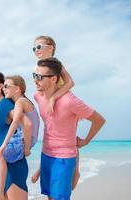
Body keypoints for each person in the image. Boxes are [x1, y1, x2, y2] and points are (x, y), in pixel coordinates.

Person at [33, 58, 105, 200]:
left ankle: (75, 174)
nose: (35, 80)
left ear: (53, 79)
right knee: (49, 196)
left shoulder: (70, 101)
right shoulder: (38, 97)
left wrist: (86, 140)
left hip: (64, 157)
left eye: (39, 77)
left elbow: (99, 120)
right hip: (46, 153)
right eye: (34, 76)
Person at [31, 36, 80, 190]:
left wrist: (53, 98)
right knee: (50, 136)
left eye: (39, 47)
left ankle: (75, 171)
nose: (36, 50)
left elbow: (70, 83)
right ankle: (44, 169)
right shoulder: (40, 66)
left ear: (51, 47)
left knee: (66, 139)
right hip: (53, 108)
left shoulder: (56, 64)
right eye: (34, 48)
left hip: (63, 107)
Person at [0, 72, 29, 200]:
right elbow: (3, 135)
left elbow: (26, 123)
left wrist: (26, 148)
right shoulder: (0, 106)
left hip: (12, 169)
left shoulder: (6, 105)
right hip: (2, 170)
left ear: (0, 86)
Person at [0, 75, 40, 200]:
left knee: (0, 155)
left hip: (25, 138)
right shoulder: (25, 101)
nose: (4, 89)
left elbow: (22, 123)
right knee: (1, 157)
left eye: (6, 86)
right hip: (29, 137)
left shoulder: (20, 102)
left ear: (18, 89)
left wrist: (24, 148)